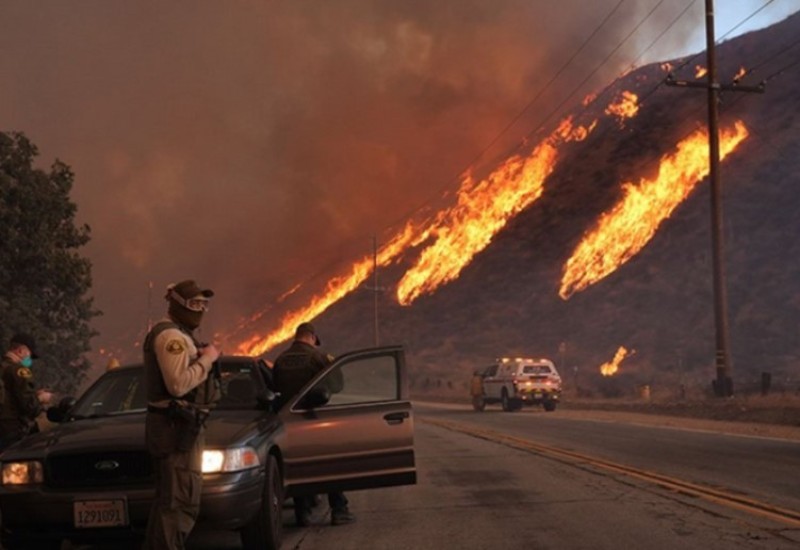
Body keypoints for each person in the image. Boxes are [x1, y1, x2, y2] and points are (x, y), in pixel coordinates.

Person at [143, 280, 221, 550]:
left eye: (203, 304)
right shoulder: (171, 338)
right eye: (194, 304)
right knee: (179, 504)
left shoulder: (180, 334)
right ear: (177, 304)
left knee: (172, 503)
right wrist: (207, 360)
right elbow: (177, 385)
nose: (199, 309)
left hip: (179, 428)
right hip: (174, 429)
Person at [272, 322, 355, 527]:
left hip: (288, 424)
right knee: (331, 463)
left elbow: (274, 389)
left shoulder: (280, 360)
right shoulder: (318, 358)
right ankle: (339, 509)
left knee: (299, 466)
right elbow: (337, 385)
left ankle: (303, 513)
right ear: (311, 337)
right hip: (315, 420)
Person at [0, 333, 53, 451]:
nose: (30, 360)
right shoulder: (20, 371)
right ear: (20, 351)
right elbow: (29, 407)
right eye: (29, 355)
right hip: (13, 429)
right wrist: (41, 398)